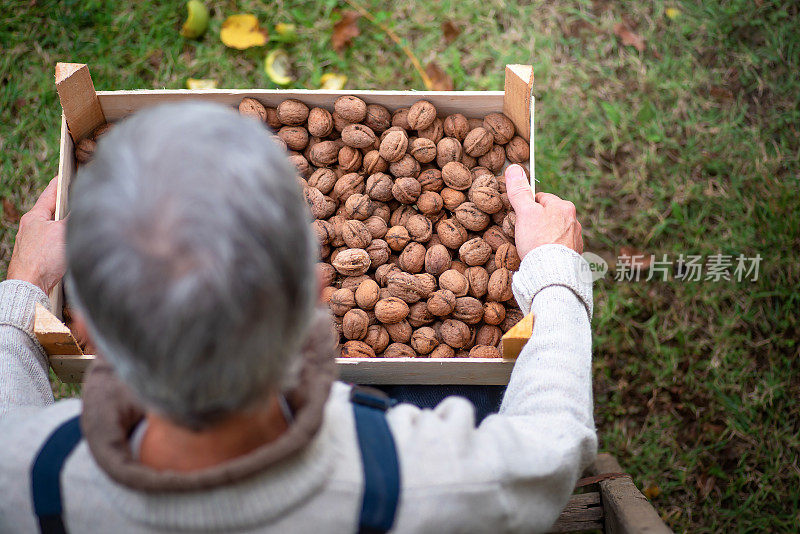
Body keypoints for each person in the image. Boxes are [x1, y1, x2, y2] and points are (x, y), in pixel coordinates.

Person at [0, 102, 595, 533]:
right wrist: (554, 273)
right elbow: (557, 444)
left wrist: (22, 291)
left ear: (83, 334)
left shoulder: (22, 478)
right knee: (447, 384)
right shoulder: (428, 478)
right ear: (318, 289)